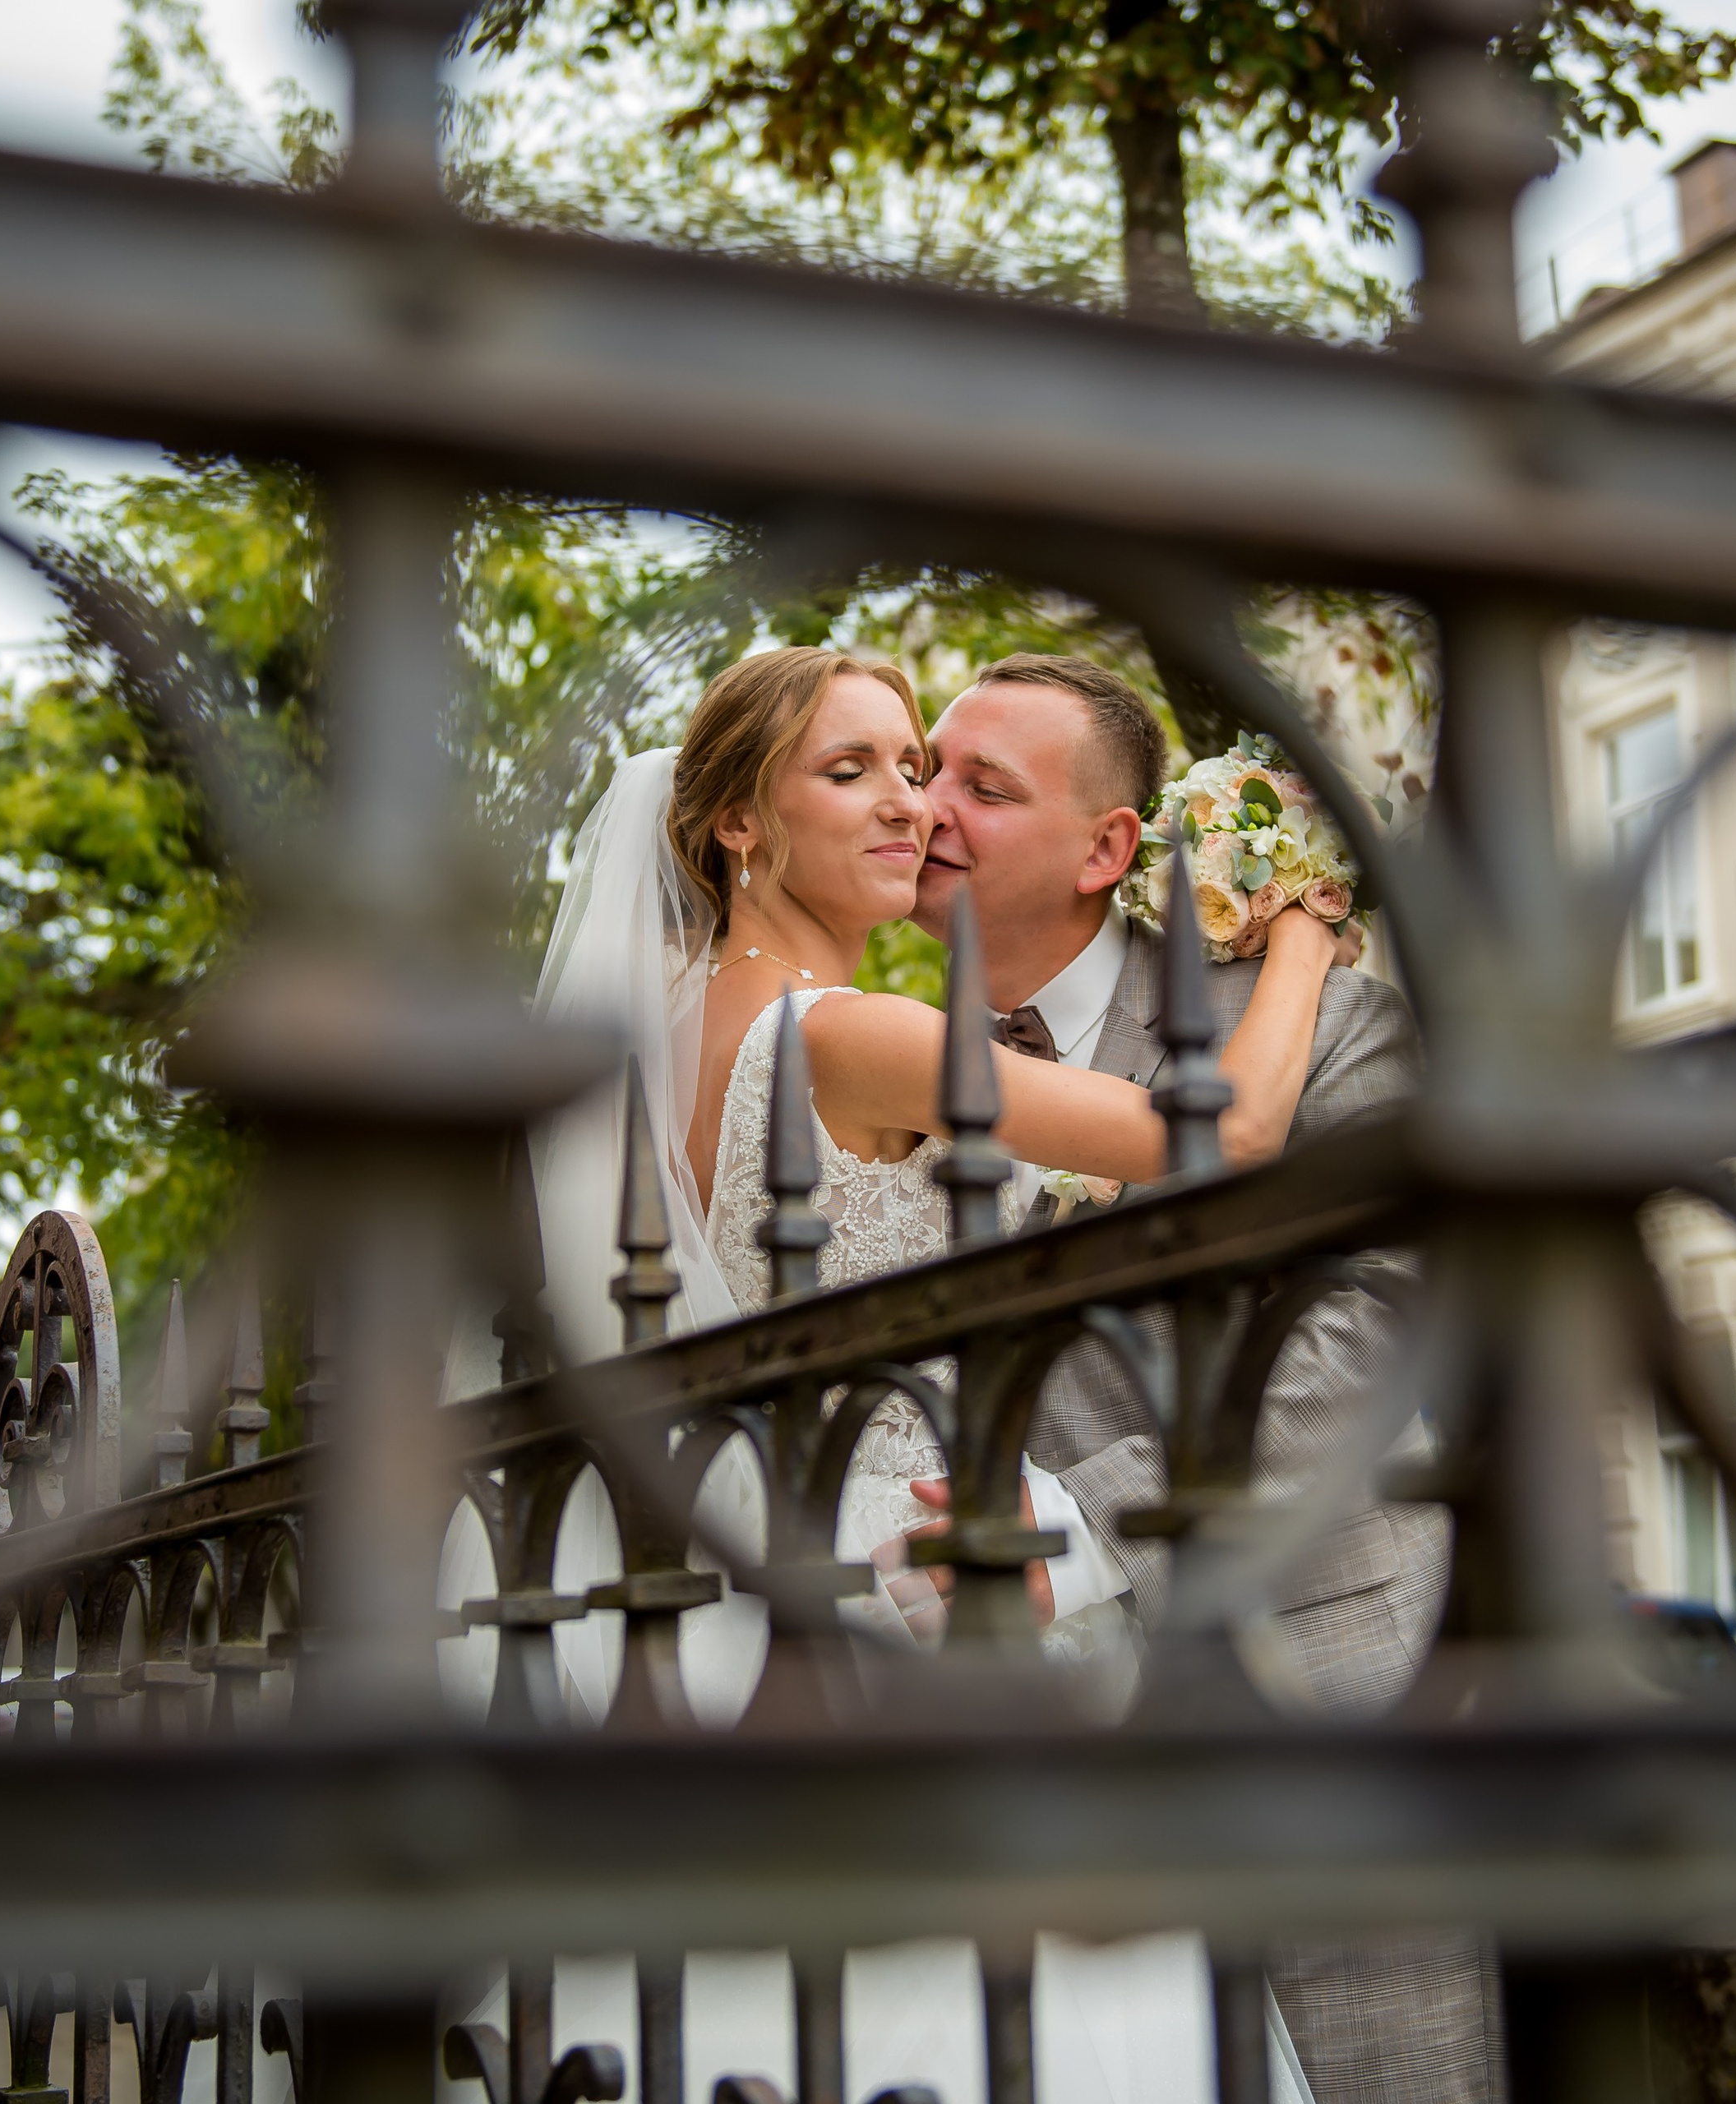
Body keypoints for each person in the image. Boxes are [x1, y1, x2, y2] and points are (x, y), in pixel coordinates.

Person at [528, 643, 1349, 2104]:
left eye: (916, 769)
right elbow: (1226, 1137)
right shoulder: (856, 1033)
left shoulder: (658, 1037)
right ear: (735, 823)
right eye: (853, 773)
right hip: (902, 1559)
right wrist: (1300, 929)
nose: (909, 805)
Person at [902, 654, 1501, 2104]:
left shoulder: (1319, 1026)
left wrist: (1084, 1526)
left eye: (986, 786)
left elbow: (1375, 1335)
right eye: (927, 769)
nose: (929, 808)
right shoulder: (901, 1082)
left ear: (1111, 850)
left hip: (1315, 1673)